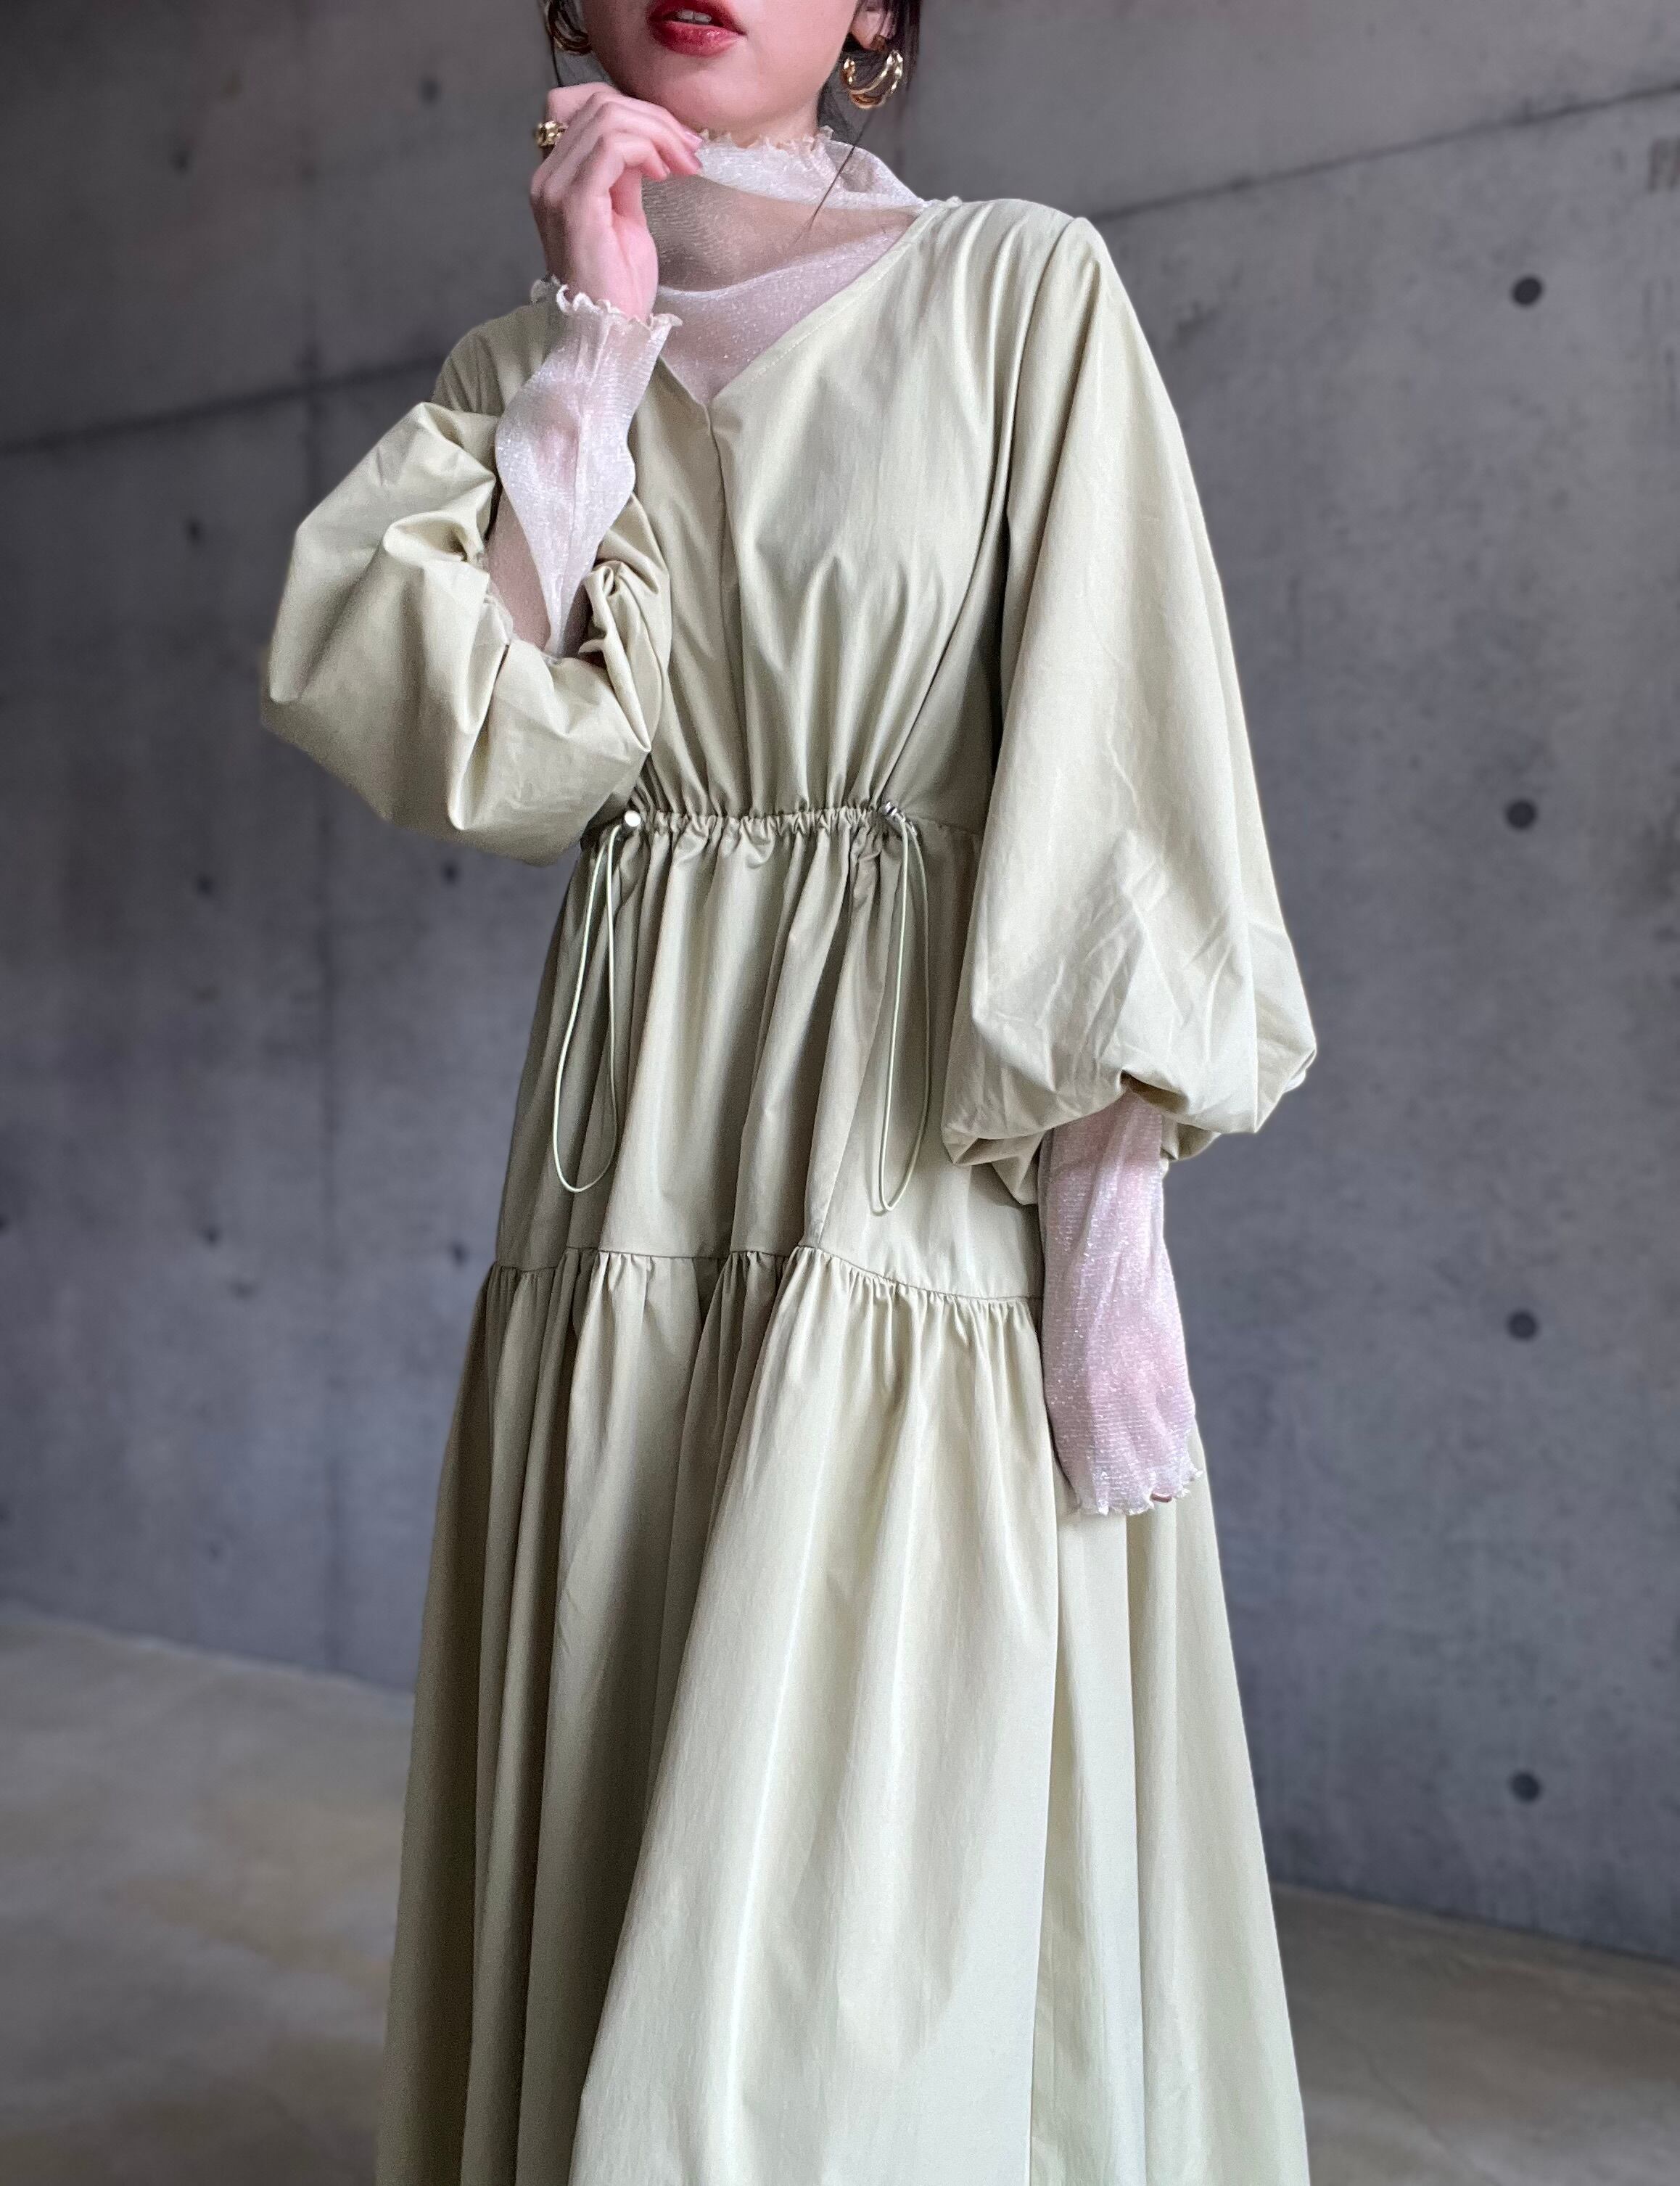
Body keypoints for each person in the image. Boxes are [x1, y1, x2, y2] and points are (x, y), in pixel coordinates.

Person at [260, 2, 1318, 2180]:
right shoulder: (521, 363)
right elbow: (488, 756)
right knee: (625, 1737)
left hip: (916, 1138)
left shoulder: (1017, 287)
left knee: (874, 1860)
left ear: (876, 21)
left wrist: (1108, 1223)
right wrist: (592, 350)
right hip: (627, 1147)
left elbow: (1125, 759)